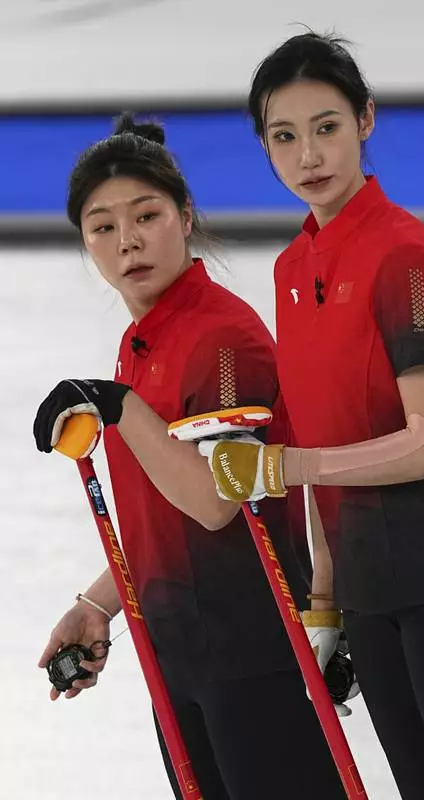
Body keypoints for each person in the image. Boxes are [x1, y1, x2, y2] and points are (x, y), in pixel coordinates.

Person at [194, 32, 424, 800]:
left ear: (365, 120)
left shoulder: (405, 259)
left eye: (326, 127)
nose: (308, 155)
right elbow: (321, 431)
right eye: (283, 137)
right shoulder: (293, 270)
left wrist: (285, 466)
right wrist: (325, 603)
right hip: (366, 590)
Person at [32, 113, 346, 800]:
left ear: (185, 215)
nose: (127, 241)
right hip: (178, 654)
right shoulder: (142, 341)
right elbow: (161, 513)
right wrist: (98, 604)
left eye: (147, 216)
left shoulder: (223, 339)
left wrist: (117, 406)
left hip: (250, 650)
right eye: (103, 227)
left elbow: (212, 502)